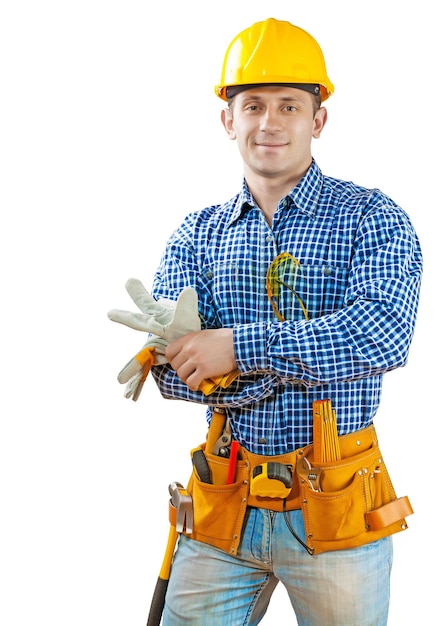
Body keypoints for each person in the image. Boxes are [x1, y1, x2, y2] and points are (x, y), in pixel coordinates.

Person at [109, 17, 422, 626]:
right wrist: (198, 357)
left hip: (335, 510)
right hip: (223, 504)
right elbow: (175, 378)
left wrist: (233, 350)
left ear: (318, 119)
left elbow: (383, 335)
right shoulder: (197, 236)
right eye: (252, 105)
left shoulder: (372, 218)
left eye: (289, 105)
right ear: (229, 120)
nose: (269, 122)